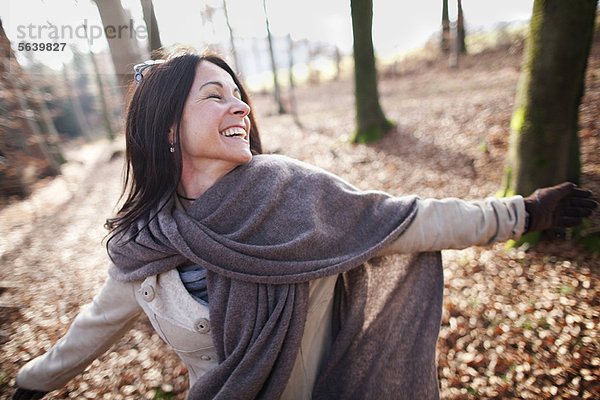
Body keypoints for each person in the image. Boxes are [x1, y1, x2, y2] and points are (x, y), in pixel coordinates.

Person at [12, 49, 597, 400]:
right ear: (167, 128)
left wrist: (525, 212)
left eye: (239, 96)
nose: (240, 106)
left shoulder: (294, 195)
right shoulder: (147, 246)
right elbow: (92, 328)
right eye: (215, 96)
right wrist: (31, 382)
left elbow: (412, 221)